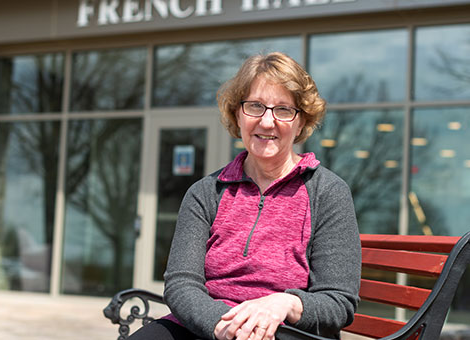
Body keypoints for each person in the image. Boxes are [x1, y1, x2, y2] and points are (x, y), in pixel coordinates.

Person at [129, 52, 361, 340]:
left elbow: (338, 301)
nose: (267, 122)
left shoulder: (327, 192)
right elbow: (181, 283)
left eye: (284, 110)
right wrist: (222, 326)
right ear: (237, 115)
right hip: (207, 325)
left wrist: (284, 303)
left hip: (285, 330)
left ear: (301, 122)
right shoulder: (205, 193)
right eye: (255, 106)